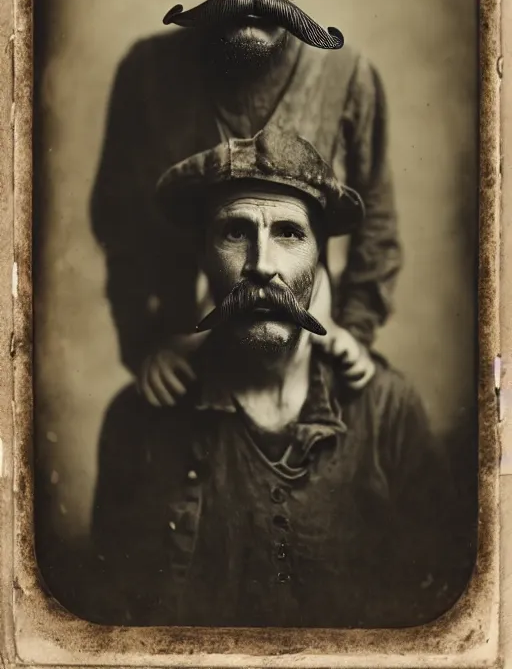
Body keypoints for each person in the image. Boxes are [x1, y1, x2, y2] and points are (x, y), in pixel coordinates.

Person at [93, 128, 461, 629]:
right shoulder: (137, 423)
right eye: (235, 232)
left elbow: (440, 616)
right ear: (203, 258)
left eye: (289, 233)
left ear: (319, 263)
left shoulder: (388, 412)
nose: (262, 265)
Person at [90, 0, 401, 405]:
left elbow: (377, 227)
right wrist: (146, 346)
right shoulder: (146, 73)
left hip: (307, 364)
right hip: (188, 374)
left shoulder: (351, 78)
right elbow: (122, 230)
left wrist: (355, 332)